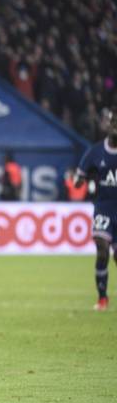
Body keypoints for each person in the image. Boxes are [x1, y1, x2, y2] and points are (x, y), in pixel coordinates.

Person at [74, 106, 117, 311]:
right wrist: (80, 180)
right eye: (114, 123)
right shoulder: (95, 151)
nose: (116, 127)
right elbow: (79, 177)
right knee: (102, 249)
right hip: (103, 208)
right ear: (108, 125)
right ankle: (102, 298)